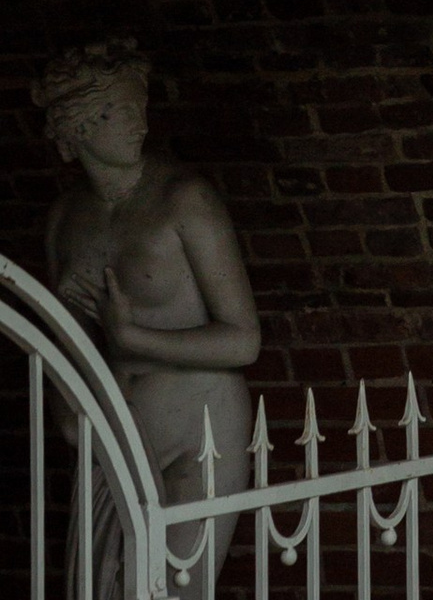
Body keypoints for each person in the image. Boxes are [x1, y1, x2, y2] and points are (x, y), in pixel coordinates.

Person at [38, 40, 261, 598]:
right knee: (101, 587)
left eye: (141, 106)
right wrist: (72, 415)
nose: (139, 122)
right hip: (114, 428)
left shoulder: (184, 200)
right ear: (80, 126)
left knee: (173, 587)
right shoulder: (67, 217)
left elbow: (243, 342)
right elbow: (67, 345)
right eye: (119, 111)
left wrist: (133, 338)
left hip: (199, 427)